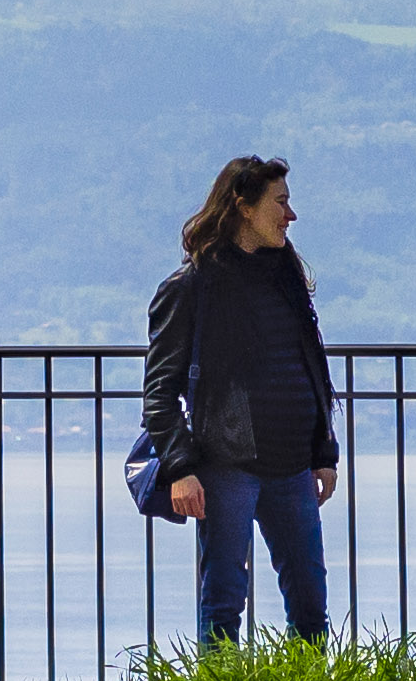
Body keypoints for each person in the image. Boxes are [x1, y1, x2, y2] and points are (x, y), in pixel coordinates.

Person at [142, 154, 340, 644]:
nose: (290, 216)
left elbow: (310, 363)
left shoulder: (286, 276)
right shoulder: (192, 287)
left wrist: (324, 451)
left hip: (292, 463)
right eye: (281, 202)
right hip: (226, 463)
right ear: (244, 206)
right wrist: (181, 468)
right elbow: (159, 392)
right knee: (225, 597)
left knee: (311, 599)